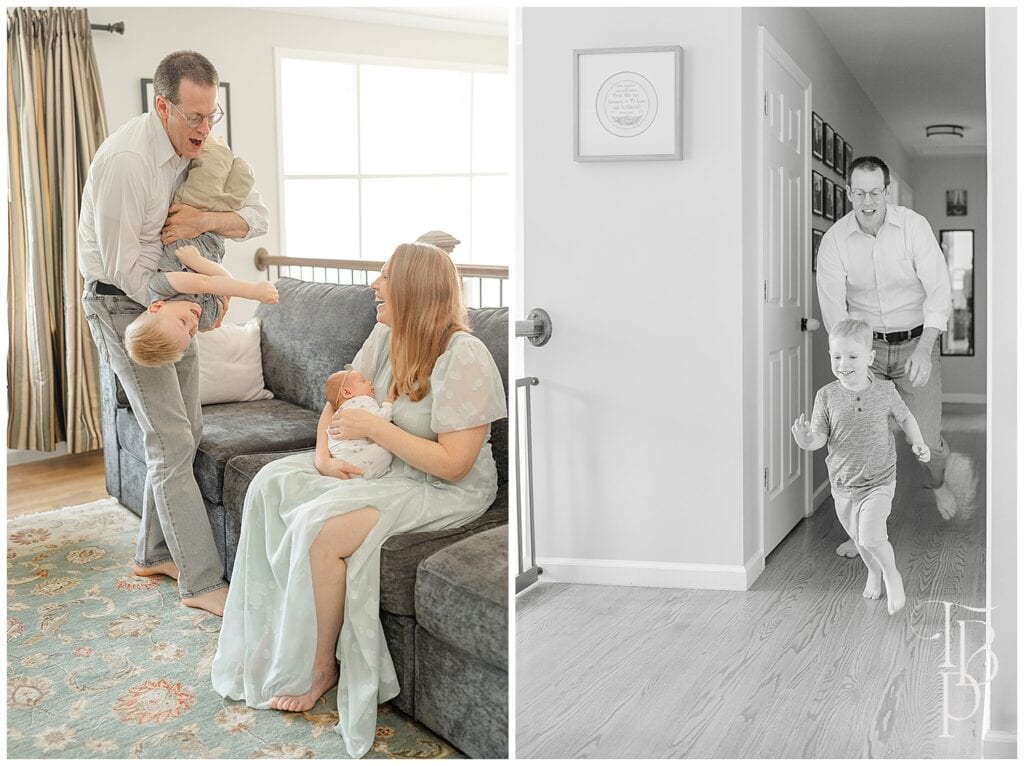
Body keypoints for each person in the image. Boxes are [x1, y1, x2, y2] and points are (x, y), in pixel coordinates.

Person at [211, 242, 507, 758]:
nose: (374, 284)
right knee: (270, 482)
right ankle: (278, 631)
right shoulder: (386, 334)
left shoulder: (465, 355)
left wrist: (373, 428)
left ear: (414, 288)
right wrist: (323, 457)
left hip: (442, 486)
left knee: (322, 529)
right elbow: (338, 399)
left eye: (386, 276)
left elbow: (454, 464)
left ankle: (321, 665)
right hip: (384, 463)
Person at [78, 50, 268, 616]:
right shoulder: (127, 163)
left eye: (212, 116)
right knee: (170, 441)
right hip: (123, 304)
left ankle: (154, 553)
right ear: (162, 106)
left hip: (171, 297)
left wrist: (204, 222)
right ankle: (201, 582)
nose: (204, 129)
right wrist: (192, 300)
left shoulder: (201, 148)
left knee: (190, 428)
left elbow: (257, 218)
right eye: (194, 117)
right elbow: (124, 270)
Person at [816, 155, 954, 559]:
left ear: (886, 192)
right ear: (848, 192)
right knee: (860, 444)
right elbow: (835, 314)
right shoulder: (835, 241)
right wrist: (850, 363)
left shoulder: (913, 227)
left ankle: (938, 482)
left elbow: (939, 290)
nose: (867, 201)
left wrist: (925, 348)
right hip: (866, 349)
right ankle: (863, 533)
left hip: (916, 343)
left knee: (926, 439)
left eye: (874, 192)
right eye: (859, 193)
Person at [792, 319, 931, 615]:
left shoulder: (885, 391)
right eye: (837, 356)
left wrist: (918, 441)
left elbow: (905, 417)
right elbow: (820, 437)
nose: (844, 364)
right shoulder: (826, 396)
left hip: (879, 480)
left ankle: (892, 574)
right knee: (860, 540)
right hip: (843, 485)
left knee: (870, 535)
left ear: (870, 357)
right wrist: (807, 441)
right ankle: (874, 572)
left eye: (853, 356)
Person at [124, 243, 279, 367]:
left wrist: (253, 291)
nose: (193, 323)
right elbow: (225, 279)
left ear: (157, 307)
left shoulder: (161, 287)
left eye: (182, 322)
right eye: (191, 333)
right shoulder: (204, 320)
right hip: (214, 242)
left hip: (191, 236)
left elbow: (207, 282)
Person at [322, 368, 394, 479]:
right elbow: (381, 420)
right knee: (388, 447)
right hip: (363, 463)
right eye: (363, 381)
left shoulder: (339, 412)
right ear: (347, 392)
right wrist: (388, 403)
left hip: (341, 463)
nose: (370, 382)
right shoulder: (362, 401)